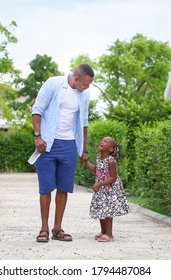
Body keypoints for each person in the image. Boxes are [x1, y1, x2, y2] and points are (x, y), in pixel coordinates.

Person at [31, 64, 94, 242]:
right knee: (45, 189)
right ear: (76, 78)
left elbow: (84, 122)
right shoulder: (54, 84)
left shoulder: (84, 95)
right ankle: (43, 229)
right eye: (85, 84)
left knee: (64, 188)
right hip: (47, 143)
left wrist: (83, 149)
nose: (87, 88)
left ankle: (57, 229)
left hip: (68, 145)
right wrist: (38, 136)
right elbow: (37, 110)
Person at [83, 136, 130, 242]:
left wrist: (100, 184)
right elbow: (96, 170)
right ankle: (103, 231)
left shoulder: (111, 161)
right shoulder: (99, 157)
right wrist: (86, 162)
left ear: (110, 149)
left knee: (107, 211)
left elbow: (113, 177)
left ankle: (109, 234)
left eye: (105, 141)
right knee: (101, 210)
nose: (101, 141)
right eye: (101, 140)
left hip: (109, 190)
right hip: (101, 190)